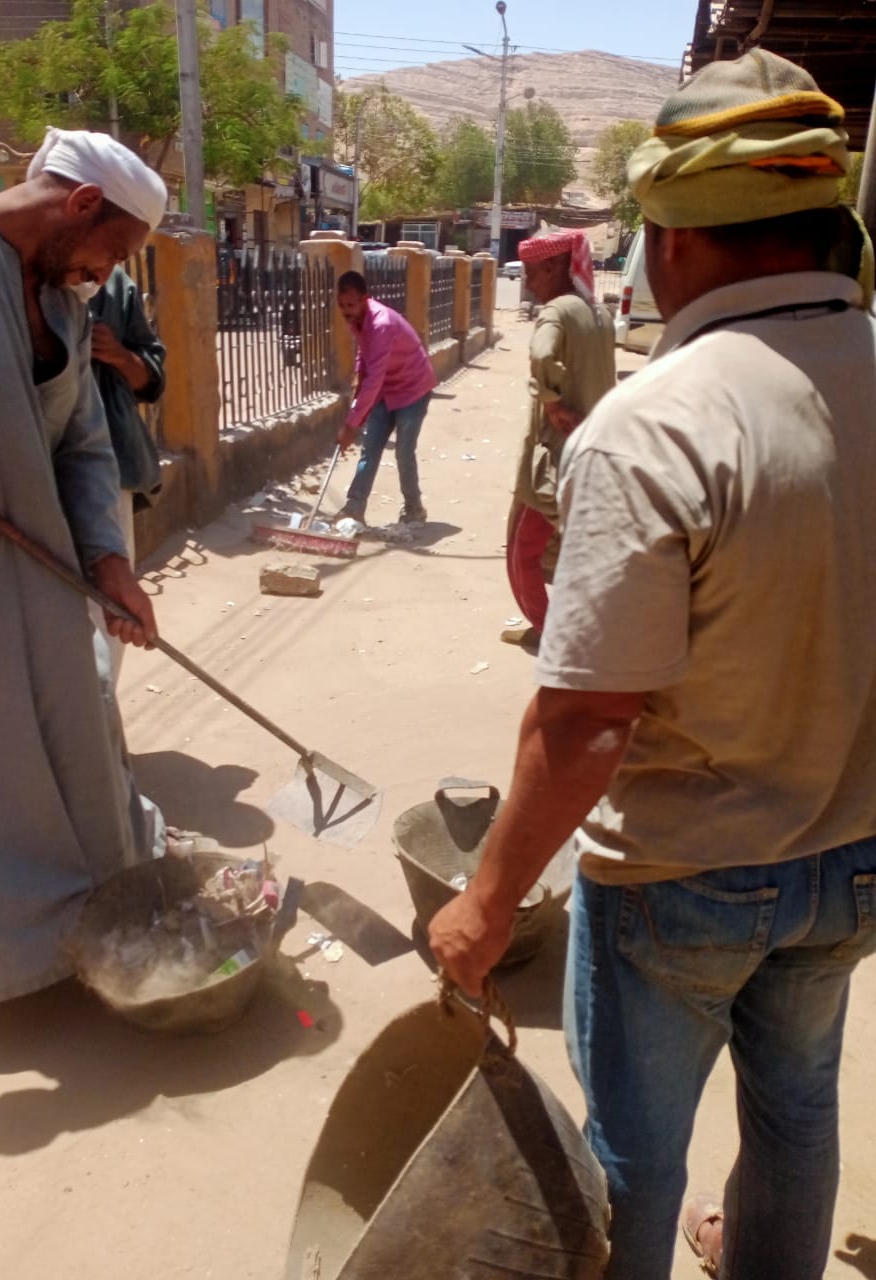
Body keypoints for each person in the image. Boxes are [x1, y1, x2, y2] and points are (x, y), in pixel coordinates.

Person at [429, 50, 876, 1280]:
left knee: (631, 1151)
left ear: (673, 239)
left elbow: (583, 724)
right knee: (796, 1109)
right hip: (851, 856)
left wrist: (484, 903)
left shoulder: (662, 419)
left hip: (682, 875)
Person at [0, 126, 168, 1004]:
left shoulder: (67, 304)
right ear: (83, 204)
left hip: (43, 578)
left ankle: (86, 932)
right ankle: (8, 960)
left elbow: (86, 447)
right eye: (115, 247)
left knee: (82, 744)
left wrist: (107, 559)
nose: (108, 271)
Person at [504, 230, 615, 650]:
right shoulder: (600, 313)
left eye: (531, 273)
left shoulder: (556, 311)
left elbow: (542, 354)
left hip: (557, 457)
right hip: (597, 451)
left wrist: (550, 401)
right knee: (576, 547)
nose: (528, 283)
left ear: (552, 268)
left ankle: (548, 630)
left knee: (523, 550)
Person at [88, 262, 166, 679]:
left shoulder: (117, 287)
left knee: (110, 600)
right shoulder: (16, 273)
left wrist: (116, 354)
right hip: (30, 467)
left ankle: (100, 723)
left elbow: (152, 378)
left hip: (109, 463)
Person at [335, 270, 437, 526]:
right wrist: (359, 372)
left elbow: (375, 379)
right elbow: (365, 352)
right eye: (342, 305)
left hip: (413, 389)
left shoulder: (381, 324)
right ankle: (354, 508)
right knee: (370, 450)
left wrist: (351, 425)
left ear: (365, 299)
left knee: (403, 452)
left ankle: (414, 509)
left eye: (351, 304)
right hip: (386, 390)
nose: (346, 311)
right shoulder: (357, 319)